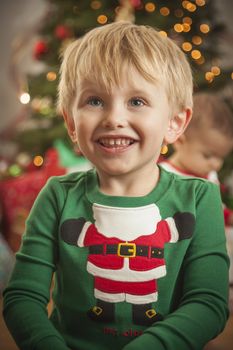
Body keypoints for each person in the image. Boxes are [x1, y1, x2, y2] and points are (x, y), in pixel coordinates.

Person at [2, 22, 229, 350]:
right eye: (94, 101)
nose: (113, 118)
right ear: (71, 123)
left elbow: (207, 304)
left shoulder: (199, 199)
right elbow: (23, 296)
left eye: (137, 101)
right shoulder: (57, 195)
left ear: (174, 123)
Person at [160, 92, 233, 226]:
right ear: (180, 141)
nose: (216, 164)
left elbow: (214, 207)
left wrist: (227, 216)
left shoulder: (209, 175)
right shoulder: (163, 176)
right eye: (208, 156)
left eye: (220, 157)